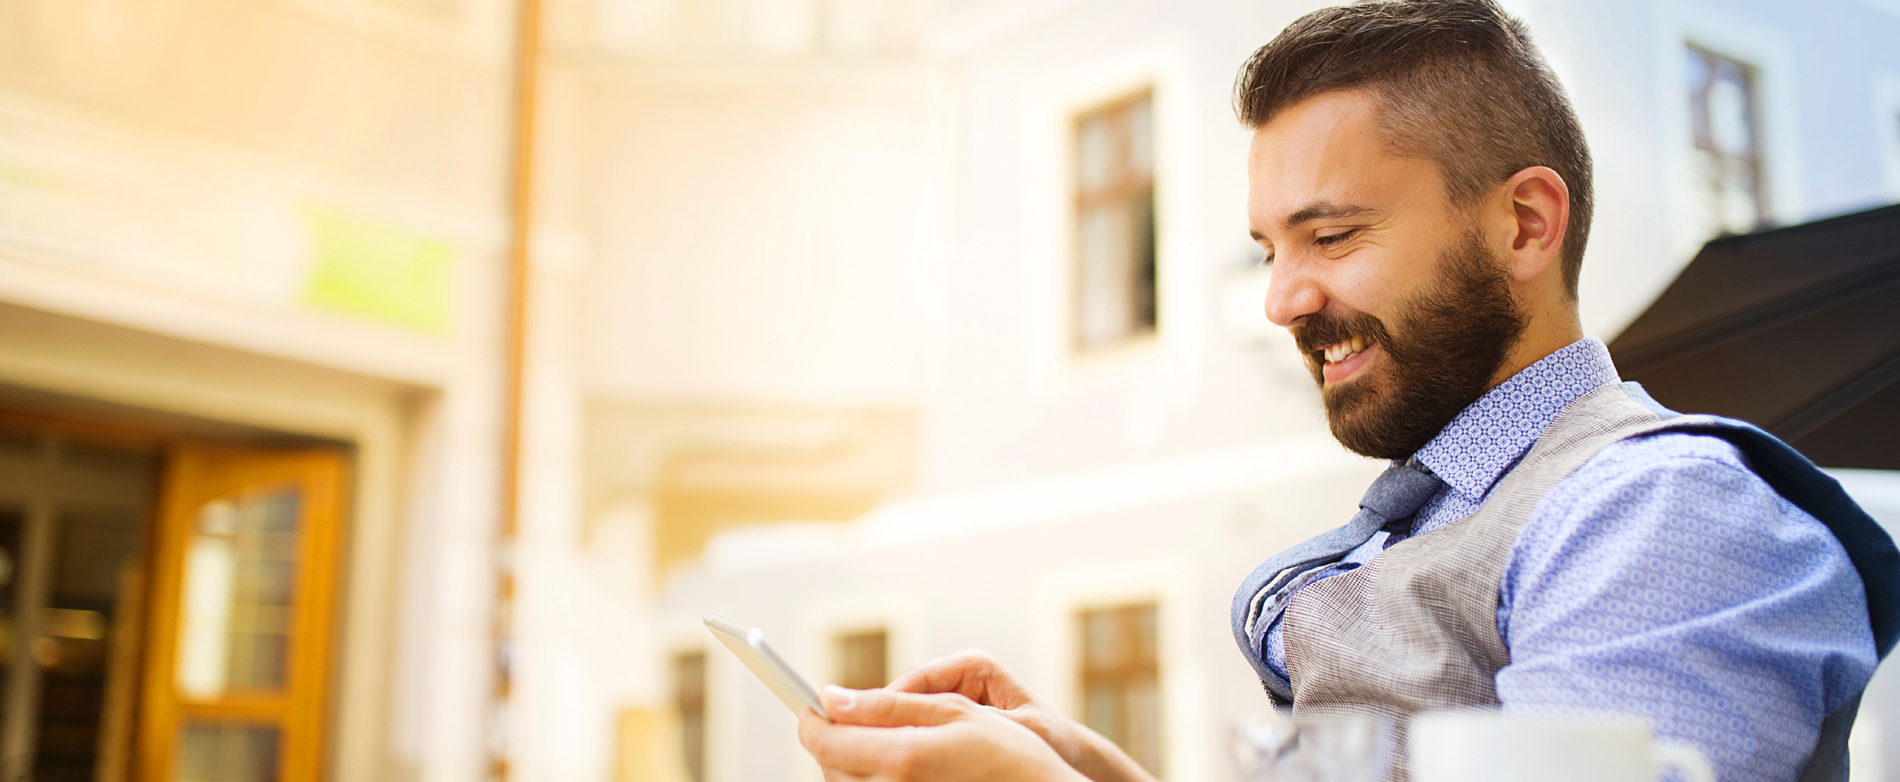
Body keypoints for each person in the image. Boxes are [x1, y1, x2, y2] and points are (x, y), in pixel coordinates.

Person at [795, 1, 1900, 780]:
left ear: (1524, 224)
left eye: (1330, 236)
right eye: (1269, 249)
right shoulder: (1463, 508)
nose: (1282, 299)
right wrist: (1083, 765)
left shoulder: (1662, 515)